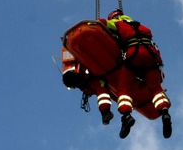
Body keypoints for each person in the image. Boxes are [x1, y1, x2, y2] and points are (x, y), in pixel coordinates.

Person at [101, 9, 172, 139]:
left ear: (114, 17)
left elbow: (103, 23)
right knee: (156, 89)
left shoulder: (117, 23)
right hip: (151, 56)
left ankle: (126, 116)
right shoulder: (141, 26)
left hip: (134, 54)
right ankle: (165, 113)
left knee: (123, 89)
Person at [61, 48, 114, 125]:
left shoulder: (68, 53)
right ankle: (105, 112)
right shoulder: (74, 51)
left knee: (100, 88)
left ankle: (105, 113)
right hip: (80, 76)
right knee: (102, 88)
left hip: (76, 78)